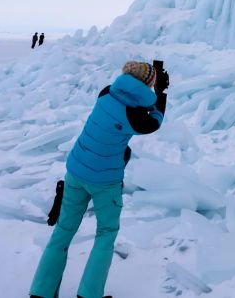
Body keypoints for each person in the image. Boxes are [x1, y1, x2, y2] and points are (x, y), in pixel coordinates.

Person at [29, 61, 169, 298]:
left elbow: (134, 101)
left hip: (76, 170)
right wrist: (161, 94)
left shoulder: (107, 92)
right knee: (106, 233)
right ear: (147, 83)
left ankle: (41, 292)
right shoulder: (135, 116)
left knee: (63, 229)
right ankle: (89, 294)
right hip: (104, 181)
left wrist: (151, 93)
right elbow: (154, 121)